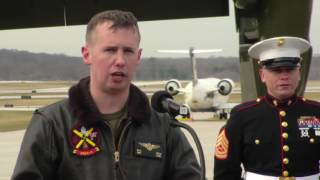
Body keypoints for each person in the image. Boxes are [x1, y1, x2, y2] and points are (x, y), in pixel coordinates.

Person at [11, 10, 201, 180]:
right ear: (87, 54)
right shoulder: (52, 124)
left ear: (138, 57)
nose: (120, 60)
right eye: (110, 50)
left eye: (128, 51)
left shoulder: (163, 129)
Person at [214, 36, 320, 180]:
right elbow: (225, 172)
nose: (284, 76)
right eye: (276, 71)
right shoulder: (242, 116)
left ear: (299, 73)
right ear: (262, 75)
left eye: (289, 70)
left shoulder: (316, 112)